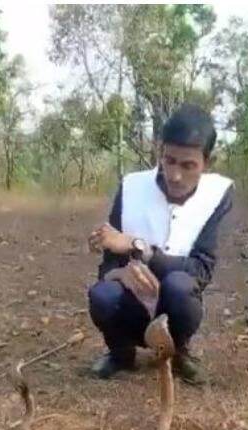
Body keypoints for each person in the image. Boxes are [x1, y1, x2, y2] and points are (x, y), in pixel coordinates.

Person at [87, 103, 234, 383]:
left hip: (175, 302)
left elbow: (200, 271)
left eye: (188, 165)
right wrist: (120, 274)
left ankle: (179, 352)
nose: (175, 175)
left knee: (180, 285)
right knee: (102, 294)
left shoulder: (218, 195)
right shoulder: (131, 186)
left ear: (208, 162)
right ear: (160, 153)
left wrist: (141, 248)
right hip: (131, 303)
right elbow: (108, 264)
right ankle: (120, 352)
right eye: (169, 161)